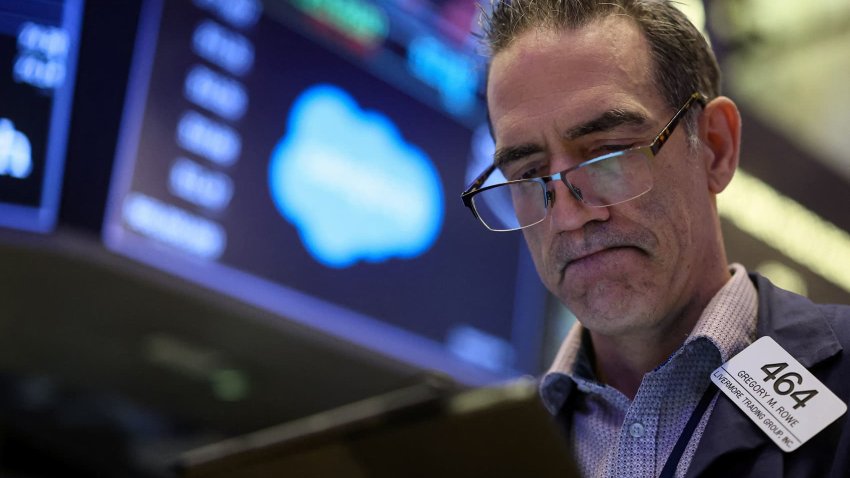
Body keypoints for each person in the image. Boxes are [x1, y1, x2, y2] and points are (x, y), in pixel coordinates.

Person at [460, 0, 850, 476]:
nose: (567, 216)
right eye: (528, 173)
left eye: (607, 153)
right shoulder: (486, 455)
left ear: (714, 147)